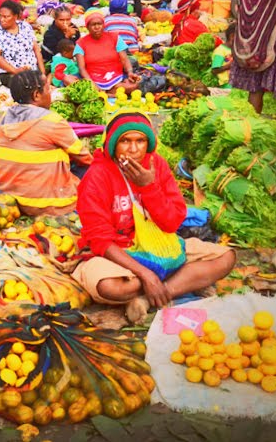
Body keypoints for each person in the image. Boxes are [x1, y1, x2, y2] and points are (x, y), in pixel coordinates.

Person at [72, 112, 235, 323]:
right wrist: (146, 275)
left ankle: (152, 297)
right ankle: (163, 284)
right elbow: (100, 240)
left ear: (148, 143)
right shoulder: (97, 176)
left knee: (226, 257)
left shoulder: (156, 165)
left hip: (160, 247)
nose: (133, 149)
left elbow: (172, 222)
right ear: (113, 145)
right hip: (119, 254)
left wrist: (148, 187)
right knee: (112, 287)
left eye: (140, 141)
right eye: (125, 141)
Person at [0, 70, 92, 216]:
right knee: (92, 169)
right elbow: (85, 158)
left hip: (10, 200)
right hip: (46, 205)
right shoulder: (52, 121)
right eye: (48, 88)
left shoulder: (5, 118)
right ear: (36, 95)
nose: (51, 94)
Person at [75, 10, 140, 92]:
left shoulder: (115, 38)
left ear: (104, 25)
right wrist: (91, 83)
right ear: (87, 27)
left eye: (99, 24)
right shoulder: (81, 43)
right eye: (93, 25)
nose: (97, 27)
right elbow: (82, 68)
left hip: (115, 78)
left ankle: (105, 92)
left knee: (134, 85)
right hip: (92, 79)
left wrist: (130, 72)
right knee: (68, 79)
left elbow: (124, 59)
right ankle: (110, 92)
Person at [0, 0, 45, 85]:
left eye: (6, 17)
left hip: (31, 71)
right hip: (9, 74)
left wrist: (42, 73)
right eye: (0, 16)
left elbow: (36, 50)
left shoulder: (25, 27)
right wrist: (15, 71)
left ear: (15, 17)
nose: (2, 19)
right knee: (25, 86)